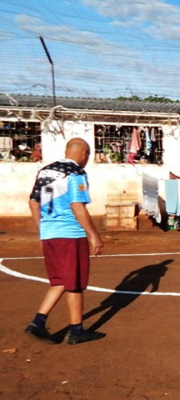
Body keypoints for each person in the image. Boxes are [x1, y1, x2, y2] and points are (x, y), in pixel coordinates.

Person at [24, 137, 106, 345]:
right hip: (70, 235)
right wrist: (93, 235)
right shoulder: (77, 173)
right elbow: (77, 206)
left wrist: (44, 227)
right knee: (75, 284)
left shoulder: (45, 171)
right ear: (84, 154)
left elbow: (33, 202)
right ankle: (76, 331)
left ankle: (38, 322)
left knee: (60, 280)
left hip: (50, 234)